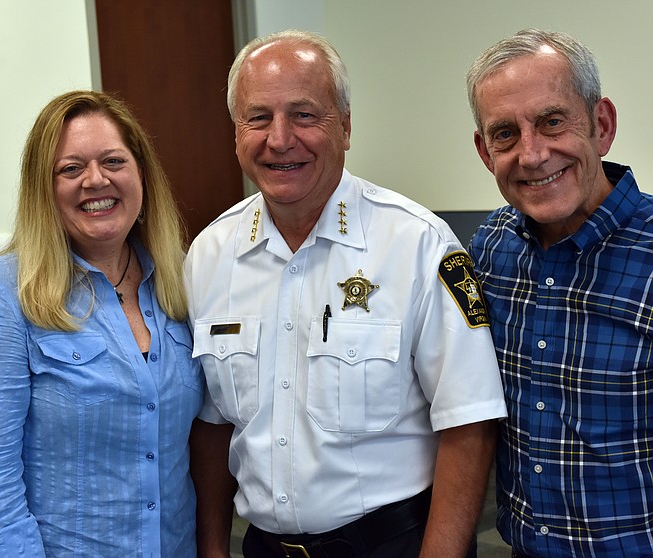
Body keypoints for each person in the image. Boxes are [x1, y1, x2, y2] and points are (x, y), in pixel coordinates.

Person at [185, 29, 506, 558]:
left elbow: (468, 422)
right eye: (258, 117)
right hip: (263, 546)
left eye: (305, 115)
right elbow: (213, 425)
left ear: (347, 126)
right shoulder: (209, 255)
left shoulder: (417, 245)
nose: (280, 138)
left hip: (395, 544)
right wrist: (213, 548)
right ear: (236, 132)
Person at [0, 90, 204, 556]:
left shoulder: (182, 280)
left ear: (141, 174)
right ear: (43, 189)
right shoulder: (4, 293)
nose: (95, 180)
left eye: (113, 161)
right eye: (71, 169)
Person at [467, 28, 653, 557]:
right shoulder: (492, 247)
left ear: (601, 125)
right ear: (485, 151)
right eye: (505, 133)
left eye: (552, 122)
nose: (531, 154)